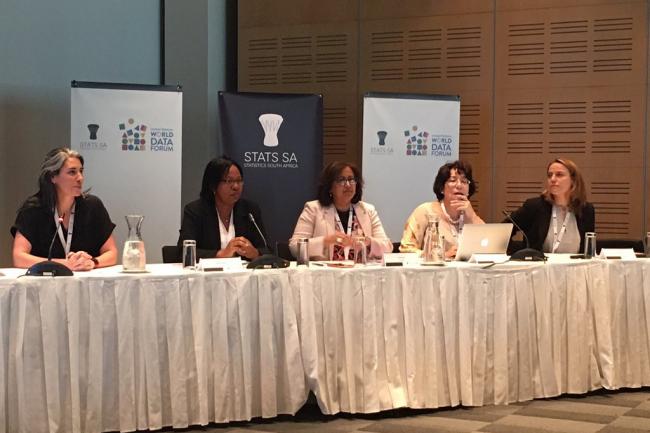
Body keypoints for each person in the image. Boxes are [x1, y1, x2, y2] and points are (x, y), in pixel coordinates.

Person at [11, 147, 117, 270]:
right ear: (53, 177)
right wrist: (65, 264)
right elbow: (19, 257)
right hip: (46, 281)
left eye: (81, 171)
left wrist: (93, 262)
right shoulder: (34, 209)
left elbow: (111, 253)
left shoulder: (93, 206)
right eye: (72, 172)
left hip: (86, 280)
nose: (80, 178)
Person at [289, 161, 392, 261]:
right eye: (341, 180)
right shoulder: (313, 209)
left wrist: (368, 241)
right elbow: (294, 248)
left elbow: (388, 247)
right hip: (327, 271)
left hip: (361, 271)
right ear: (329, 187)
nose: (348, 184)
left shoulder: (368, 210)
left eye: (351, 179)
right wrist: (325, 241)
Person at [177, 156, 267, 260]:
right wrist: (221, 254)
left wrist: (255, 253)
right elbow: (183, 252)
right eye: (229, 181)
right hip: (207, 271)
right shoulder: (196, 211)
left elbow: (267, 249)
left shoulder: (249, 210)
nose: (236, 186)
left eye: (239, 181)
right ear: (213, 185)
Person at [507, 158, 595, 254]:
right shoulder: (534, 206)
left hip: (575, 264)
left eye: (559, 175)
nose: (552, 179)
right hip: (541, 264)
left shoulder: (586, 210)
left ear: (573, 180)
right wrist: (519, 253)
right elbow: (502, 231)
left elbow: (588, 249)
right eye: (550, 175)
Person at [400, 160, 484, 258]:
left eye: (464, 181)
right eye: (453, 180)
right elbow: (406, 250)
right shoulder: (425, 211)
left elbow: (489, 245)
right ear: (441, 188)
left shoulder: (470, 215)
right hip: (434, 268)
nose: (459, 185)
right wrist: (441, 256)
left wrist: (472, 216)